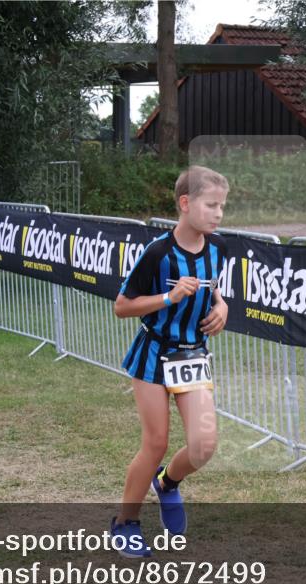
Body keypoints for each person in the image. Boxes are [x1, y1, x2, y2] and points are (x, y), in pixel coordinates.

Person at [110, 165, 230, 558]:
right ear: (185, 203)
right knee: (156, 442)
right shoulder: (158, 253)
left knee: (203, 446)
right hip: (153, 355)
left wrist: (222, 307)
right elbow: (122, 306)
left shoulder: (218, 249)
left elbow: (214, 290)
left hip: (192, 355)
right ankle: (125, 522)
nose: (218, 214)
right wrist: (168, 298)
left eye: (222, 206)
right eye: (211, 205)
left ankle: (167, 483)